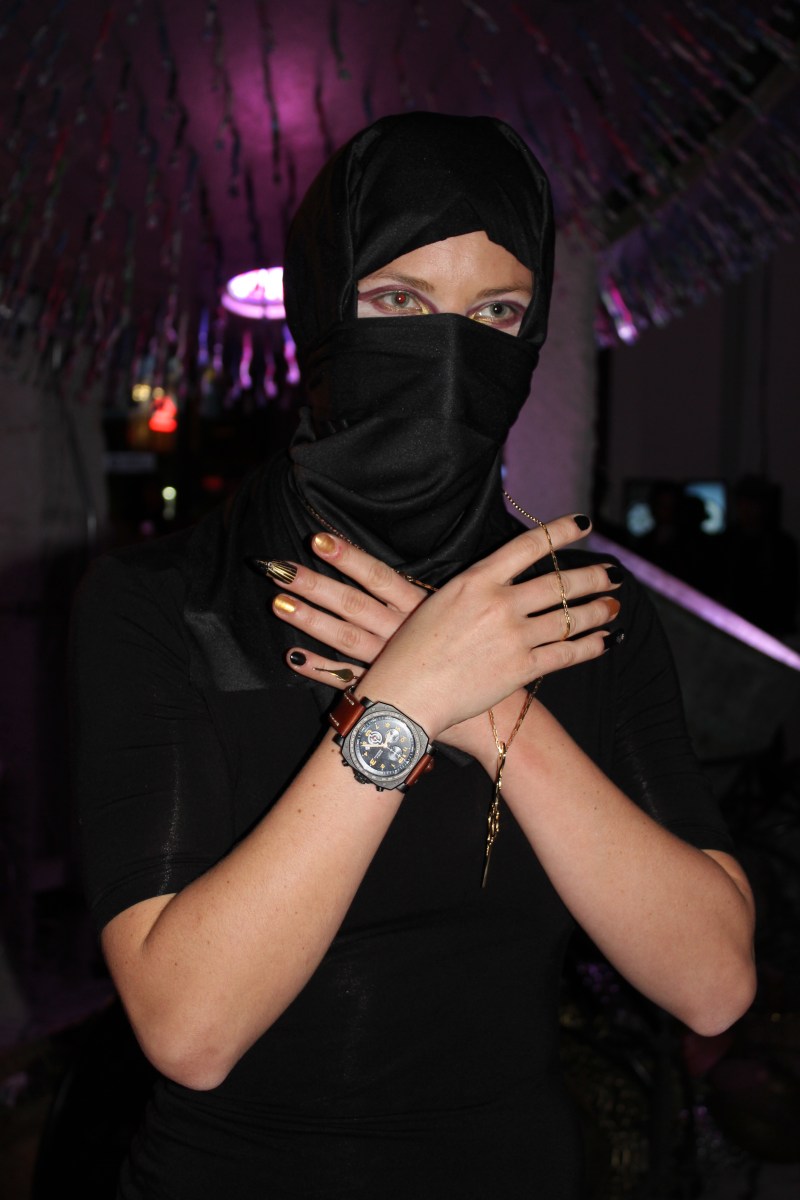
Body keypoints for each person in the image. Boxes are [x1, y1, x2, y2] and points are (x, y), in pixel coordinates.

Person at [68, 113, 756, 1199]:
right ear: (321, 307)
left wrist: (493, 713)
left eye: (496, 313)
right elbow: (190, 1029)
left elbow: (712, 983)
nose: (450, 351)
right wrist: (405, 699)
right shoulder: (167, 603)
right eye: (398, 302)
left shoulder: (580, 611)